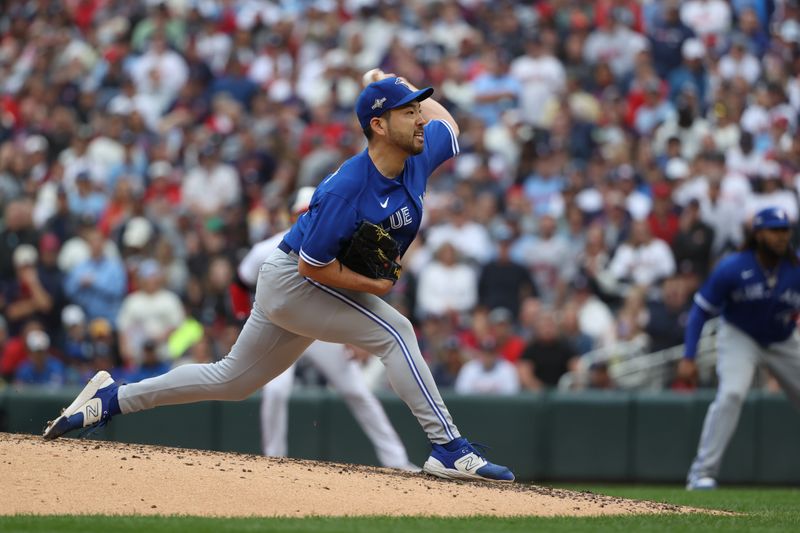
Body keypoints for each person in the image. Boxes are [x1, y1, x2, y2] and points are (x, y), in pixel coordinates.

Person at [43, 71, 515, 482]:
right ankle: (450, 448)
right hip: (297, 280)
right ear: (378, 124)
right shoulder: (347, 188)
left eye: (417, 109)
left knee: (231, 380)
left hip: (298, 283)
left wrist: (402, 85)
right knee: (396, 331)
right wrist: (374, 287)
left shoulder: (418, 153)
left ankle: (111, 399)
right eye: (409, 111)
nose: (421, 119)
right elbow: (313, 265)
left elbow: (449, 125)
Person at [236, 187, 417, 471]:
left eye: (312, 211)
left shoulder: (341, 250)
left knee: (357, 391)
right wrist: (244, 318)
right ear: (293, 215)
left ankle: (396, 461)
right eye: (302, 213)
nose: (308, 217)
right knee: (276, 391)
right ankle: (273, 462)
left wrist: (353, 337)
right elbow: (241, 280)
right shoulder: (268, 247)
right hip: (281, 328)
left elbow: (355, 298)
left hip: (322, 330)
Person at [682, 207, 800, 490]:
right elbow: (699, 311)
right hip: (740, 335)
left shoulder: (795, 268)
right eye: (774, 230)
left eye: (785, 230)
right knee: (732, 394)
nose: (781, 236)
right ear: (758, 234)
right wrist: (689, 355)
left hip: (782, 338)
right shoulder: (732, 266)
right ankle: (701, 473)